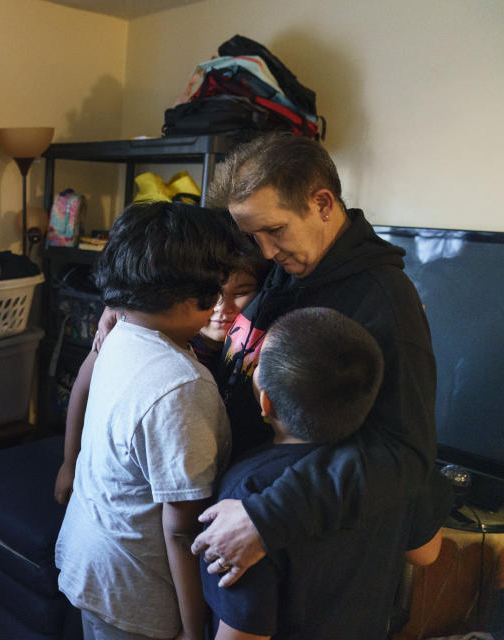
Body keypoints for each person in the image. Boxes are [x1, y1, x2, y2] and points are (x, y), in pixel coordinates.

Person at [189, 132, 442, 588]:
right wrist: (129, 304)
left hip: (296, 550)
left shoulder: (385, 302)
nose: (264, 251)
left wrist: (268, 517)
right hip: (241, 499)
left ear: (323, 203)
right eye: (253, 235)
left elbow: (404, 454)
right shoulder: (290, 264)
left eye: (275, 231)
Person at [201, 307, 449, 640]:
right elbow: (426, 552)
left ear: (267, 403)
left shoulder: (246, 495)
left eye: (259, 363)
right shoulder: (393, 468)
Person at [55, 200, 235, 640]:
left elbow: (82, 382)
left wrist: (68, 462)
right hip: (135, 590)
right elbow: (180, 531)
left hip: (90, 557)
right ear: (198, 297)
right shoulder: (181, 387)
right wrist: (195, 630)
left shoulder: (117, 330)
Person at [54, 234, 269, 505]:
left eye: (241, 293)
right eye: (213, 293)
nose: (222, 308)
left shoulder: (250, 346)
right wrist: (69, 464)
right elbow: (82, 387)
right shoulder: (158, 335)